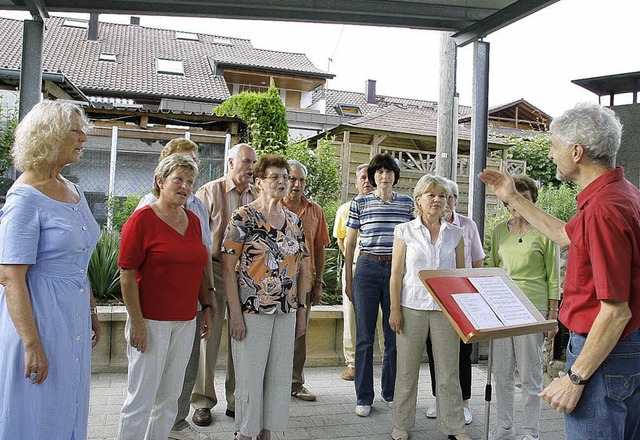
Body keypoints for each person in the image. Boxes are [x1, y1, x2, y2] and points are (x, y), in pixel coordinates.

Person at [479, 102, 640, 440]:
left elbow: (615, 312)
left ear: (576, 151)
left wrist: (575, 378)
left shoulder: (603, 211)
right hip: (621, 351)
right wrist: (513, 198)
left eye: (554, 146)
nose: (551, 154)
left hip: (604, 354)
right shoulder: (620, 194)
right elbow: (565, 235)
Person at [0, 100, 100, 439]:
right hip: (40, 318)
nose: (83, 137)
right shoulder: (25, 198)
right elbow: (10, 277)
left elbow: (79, 258)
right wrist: (31, 344)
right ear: (48, 135)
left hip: (72, 317)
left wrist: (92, 309)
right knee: (38, 406)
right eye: (75, 130)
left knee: (68, 401)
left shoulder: (73, 189)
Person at [117, 154, 213, 440]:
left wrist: (207, 305)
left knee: (170, 397)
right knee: (141, 397)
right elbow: (127, 274)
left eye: (190, 182)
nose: (185, 186)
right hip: (150, 321)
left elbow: (198, 268)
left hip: (185, 321)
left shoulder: (194, 221)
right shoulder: (141, 220)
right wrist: (137, 322)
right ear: (160, 182)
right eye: (178, 179)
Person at [222, 154, 308, 440]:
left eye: (286, 176)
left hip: (286, 310)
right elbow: (227, 266)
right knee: (249, 378)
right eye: (276, 177)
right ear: (258, 183)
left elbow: (303, 268)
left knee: (279, 378)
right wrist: (234, 314)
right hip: (251, 311)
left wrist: (302, 312)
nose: (283, 181)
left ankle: (268, 433)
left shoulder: (295, 221)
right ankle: (245, 434)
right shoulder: (243, 217)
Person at [389, 174, 470, 440]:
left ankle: (454, 426)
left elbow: (459, 276)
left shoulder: (456, 234)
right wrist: (394, 309)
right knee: (407, 370)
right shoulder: (404, 231)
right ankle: (401, 424)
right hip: (410, 307)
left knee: (449, 373)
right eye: (431, 195)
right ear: (419, 199)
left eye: (443, 195)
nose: (437, 200)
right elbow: (396, 273)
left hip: (445, 311)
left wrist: (461, 314)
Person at [488, 174, 560, 440]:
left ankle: (530, 432)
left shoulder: (544, 232)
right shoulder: (498, 232)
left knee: (530, 375)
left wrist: (553, 314)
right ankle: (505, 427)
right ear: (507, 203)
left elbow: (554, 276)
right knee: (502, 373)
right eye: (512, 199)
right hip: (502, 309)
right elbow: (493, 271)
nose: (517, 204)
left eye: (524, 199)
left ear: (533, 201)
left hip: (533, 310)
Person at [344, 153, 414, 417]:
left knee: (394, 334)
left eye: (389, 172)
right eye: (379, 172)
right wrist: (350, 281)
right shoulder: (360, 203)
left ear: (395, 175)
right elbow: (350, 244)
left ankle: (391, 392)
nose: (384, 176)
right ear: (373, 176)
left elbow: (413, 241)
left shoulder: (407, 204)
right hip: (367, 269)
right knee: (364, 338)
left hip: (397, 272)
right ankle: (363, 396)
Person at [193, 143, 258, 425]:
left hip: (248, 274)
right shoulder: (208, 192)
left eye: (254, 162)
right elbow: (196, 240)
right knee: (209, 335)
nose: (251, 168)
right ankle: (202, 401)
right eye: (246, 161)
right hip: (216, 270)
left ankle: (237, 399)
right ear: (230, 162)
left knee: (242, 337)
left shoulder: (259, 195)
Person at [425, 179, 485, 424]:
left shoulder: (467, 226)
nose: (446, 201)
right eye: (441, 195)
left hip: (462, 300)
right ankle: (440, 399)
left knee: (462, 353)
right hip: (436, 301)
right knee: (435, 353)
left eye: (450, 196)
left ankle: (464, 403)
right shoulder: (430, 226)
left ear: (456, 200)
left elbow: (478, 262)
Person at [281, 159, 330, 401]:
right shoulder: (273, 206)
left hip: (306, 283)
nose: (296, 184)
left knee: (299, 334)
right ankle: (271, 383)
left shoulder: (315, 211)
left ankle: (295, 383)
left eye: (301, 180)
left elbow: (320, 248)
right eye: (292, 178)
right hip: (275, 284)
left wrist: (319, 282)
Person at [333, 164, 385, 381]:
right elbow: (342, 240)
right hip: (356, 267)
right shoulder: (346, 208)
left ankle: (387, 361)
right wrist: (355, 262)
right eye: (362, 178)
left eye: (370, 177)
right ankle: (353, 363)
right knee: (352, 317)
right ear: (355, 183)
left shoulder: (386, 206)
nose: (367, 181)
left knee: (384, 318)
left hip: (383, 268)